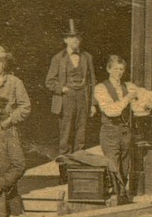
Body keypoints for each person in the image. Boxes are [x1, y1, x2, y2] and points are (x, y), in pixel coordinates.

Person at [45, 21, 96, 159]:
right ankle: (65, 173)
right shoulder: (58, 58)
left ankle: (79, 167)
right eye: (72, 37)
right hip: (66, 99)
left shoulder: (87, 57)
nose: (76, 41)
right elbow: (49, 82)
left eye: (78, 38)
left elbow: (92, 82)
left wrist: (93, 104)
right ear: (66, 40)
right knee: (65, 135)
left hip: (83, 99)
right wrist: (62, 88)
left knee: (81, 134)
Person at [93, 55, 137, 195]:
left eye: (121, 69)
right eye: (116, 69)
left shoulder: (128, 86)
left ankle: (121, 194)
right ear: (108, 69)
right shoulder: (100, 88)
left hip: (125, 130)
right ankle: (116, 195)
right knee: (113, 164)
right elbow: (112, 111)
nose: (119, 72)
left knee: (125, 165)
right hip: (110, 130)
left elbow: (143, 101)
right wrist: (128, 98)